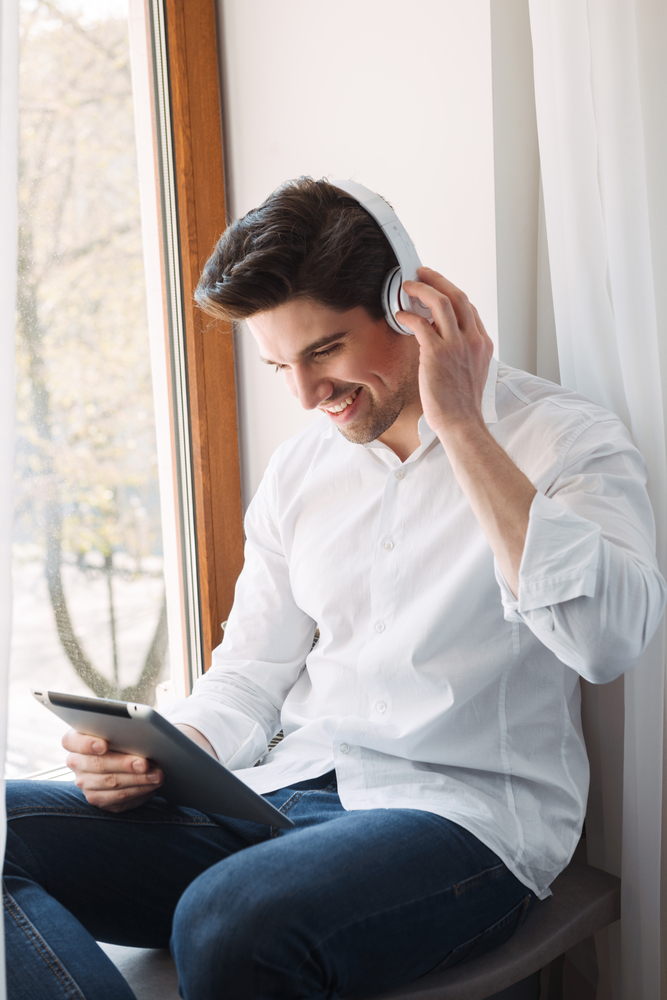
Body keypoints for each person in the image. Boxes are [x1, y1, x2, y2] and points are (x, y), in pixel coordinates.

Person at [5, 177, 665, 1000]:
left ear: (412, 305)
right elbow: (250, 676)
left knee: (228, 920)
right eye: (281, 363)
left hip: (461, 820)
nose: (307, 394)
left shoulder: (566, 441)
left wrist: (458, 421)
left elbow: (606, 643)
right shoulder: (301, 471)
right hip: (285, 797)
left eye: (324, 351)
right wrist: (171, 752)